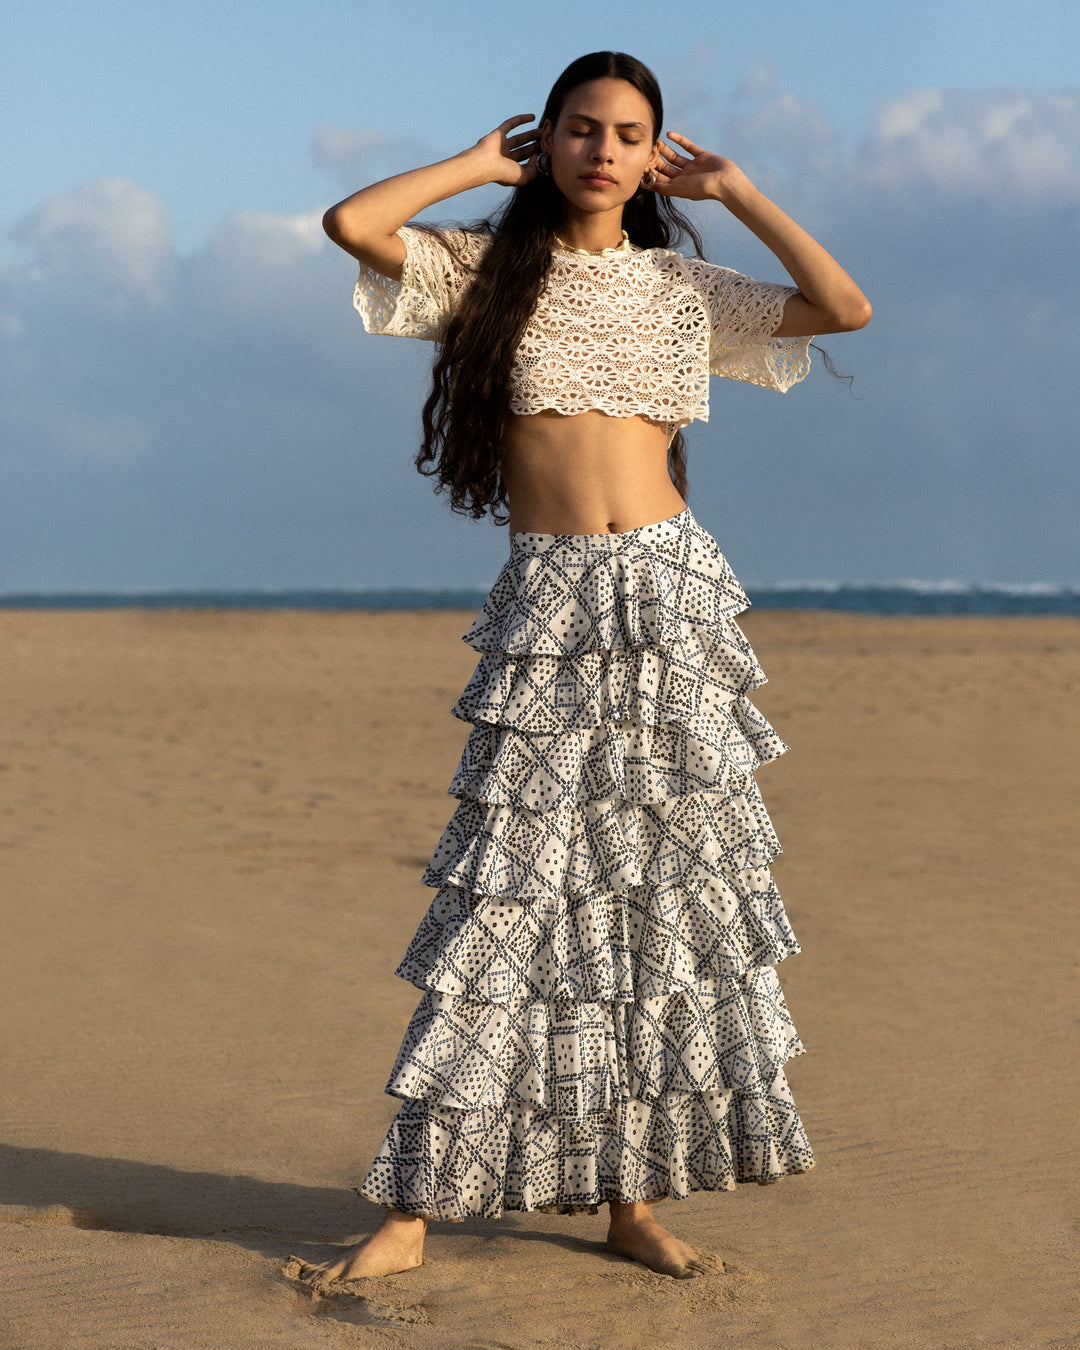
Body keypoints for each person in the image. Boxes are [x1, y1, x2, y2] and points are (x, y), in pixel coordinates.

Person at [302, 50, 870, 1285]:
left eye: (626, 133)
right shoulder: (485, 275)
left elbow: (844, 307)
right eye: (577, 129)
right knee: (503, 909)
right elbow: (352, 224)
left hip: (673, 601)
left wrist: (745, 193)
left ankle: (630, 1205)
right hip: (552, 604)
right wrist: (470, 161)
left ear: (655, 154)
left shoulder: (681, 288)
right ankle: (407, 1214)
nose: (601, 150)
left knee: (652, 917)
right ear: (547, 142)